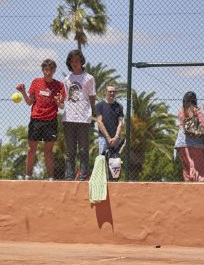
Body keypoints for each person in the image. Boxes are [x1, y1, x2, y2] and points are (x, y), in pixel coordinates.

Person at [16, 59, 65, 181]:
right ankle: (28, 176)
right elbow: (29, 102)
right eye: (45, 70)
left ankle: (50, 177)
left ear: (54, 70)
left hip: (51, 121)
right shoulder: (36, 82)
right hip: (36, 120)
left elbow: (62, 106)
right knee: (31, 149)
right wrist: (23, 92)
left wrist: (59, 102)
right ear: (42, 70)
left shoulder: (60, 85)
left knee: (48, 151)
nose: (48, 72)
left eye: (50, 70)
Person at [61, 50, 96, 181]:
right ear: (69, 63)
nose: (75, 63)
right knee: (70, 151)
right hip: (68, 118)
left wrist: (93, 114)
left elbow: (92, 98)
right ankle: (69, 176)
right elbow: (67, 98)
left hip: (83, 118)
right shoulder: (67, 79)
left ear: (81, 62)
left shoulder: (89, 78)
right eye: (72, 61)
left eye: (77, 60)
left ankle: (83, 175)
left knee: (83, 150)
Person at [174, 91, 204, 182]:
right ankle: (199, 190)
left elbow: (180, 123)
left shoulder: (181, 110)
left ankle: (188, 189)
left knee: (187, 168)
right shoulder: (196, 110)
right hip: (196, 144)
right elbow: (202, 125)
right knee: (198, 169)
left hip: (181, 144)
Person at [95, 84, 124, 156]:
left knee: (116, 163)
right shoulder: (100, 105)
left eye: (114, 91)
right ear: (105, 92)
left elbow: (121, 123)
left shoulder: (119, 106)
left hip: (116, 139)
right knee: (102, 161)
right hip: (103, 139)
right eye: (110, 91)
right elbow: (99, 122)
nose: (112, 93)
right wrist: (108, 138)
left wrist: (116, 137)